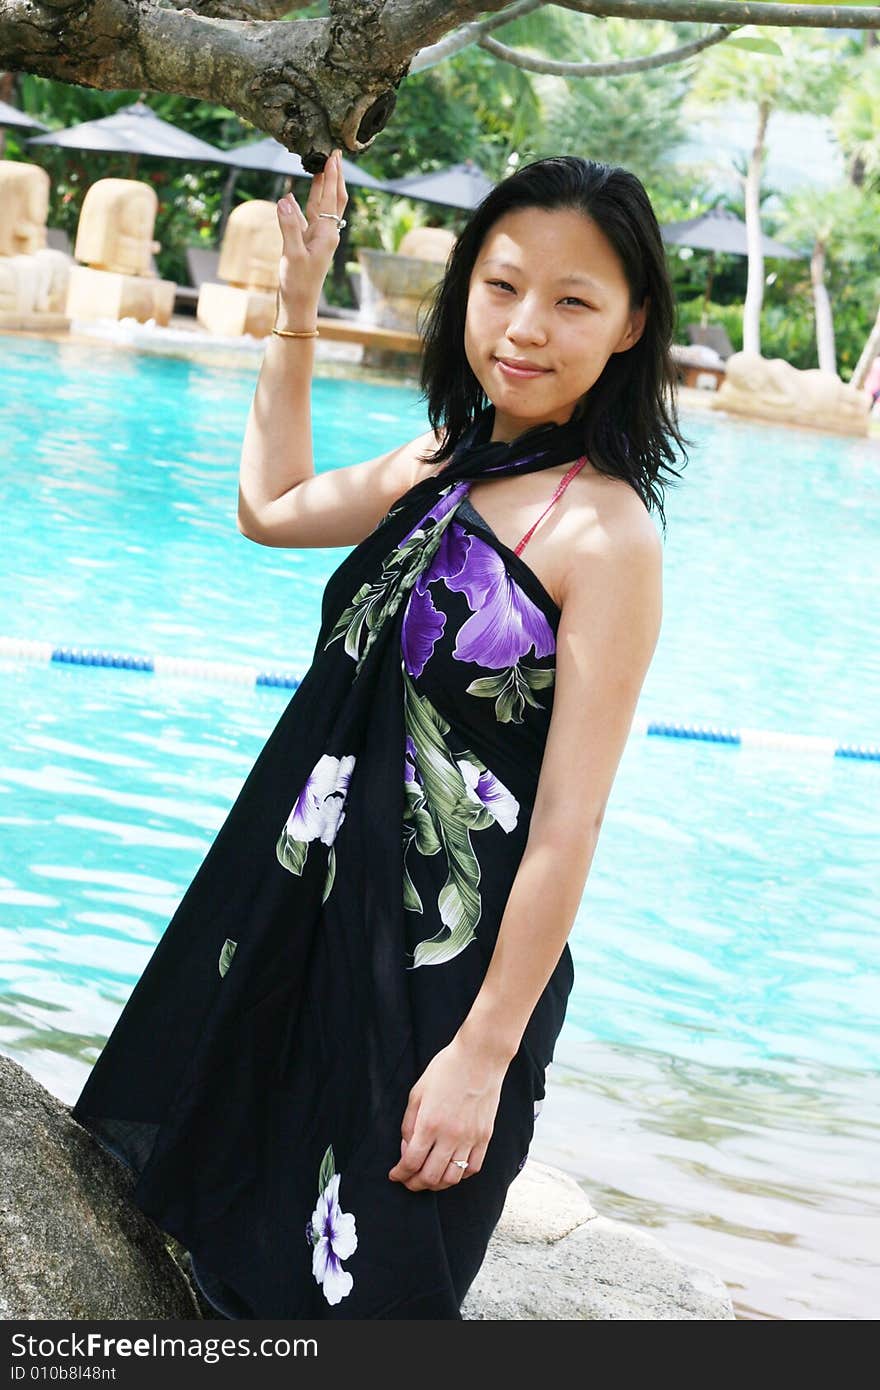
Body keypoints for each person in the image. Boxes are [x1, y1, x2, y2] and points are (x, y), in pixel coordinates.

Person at [70, 152, 689, 1319]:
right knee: (220, 1268)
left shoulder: (605, 536)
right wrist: (297, 315)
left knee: (376, 1297)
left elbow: (569, 818)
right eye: (502, 286)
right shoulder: (436, 465)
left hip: (445, 993)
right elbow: (269, 508)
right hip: (304, 942)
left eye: (572, 301)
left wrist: (482, 1057)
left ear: (630, 323)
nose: (524, 327)